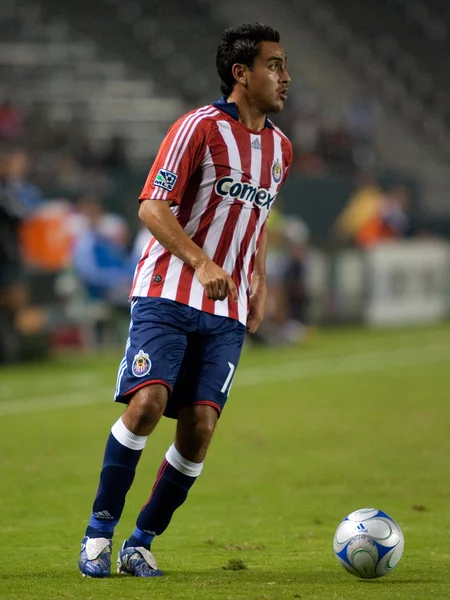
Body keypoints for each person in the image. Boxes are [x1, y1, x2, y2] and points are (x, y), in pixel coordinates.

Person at [78, 22, 292, 578]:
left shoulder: (280, 150)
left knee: (199, 427)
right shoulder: (198, 127)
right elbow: (152, 206)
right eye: (274, 65)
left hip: (226, 309)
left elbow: (257, 219)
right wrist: (201, 262)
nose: (285, 77)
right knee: (147, 404)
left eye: (284, 66)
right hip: (167, 292)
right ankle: (98, 535)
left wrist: (259, 286)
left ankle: (141, 541)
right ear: (241, 74)